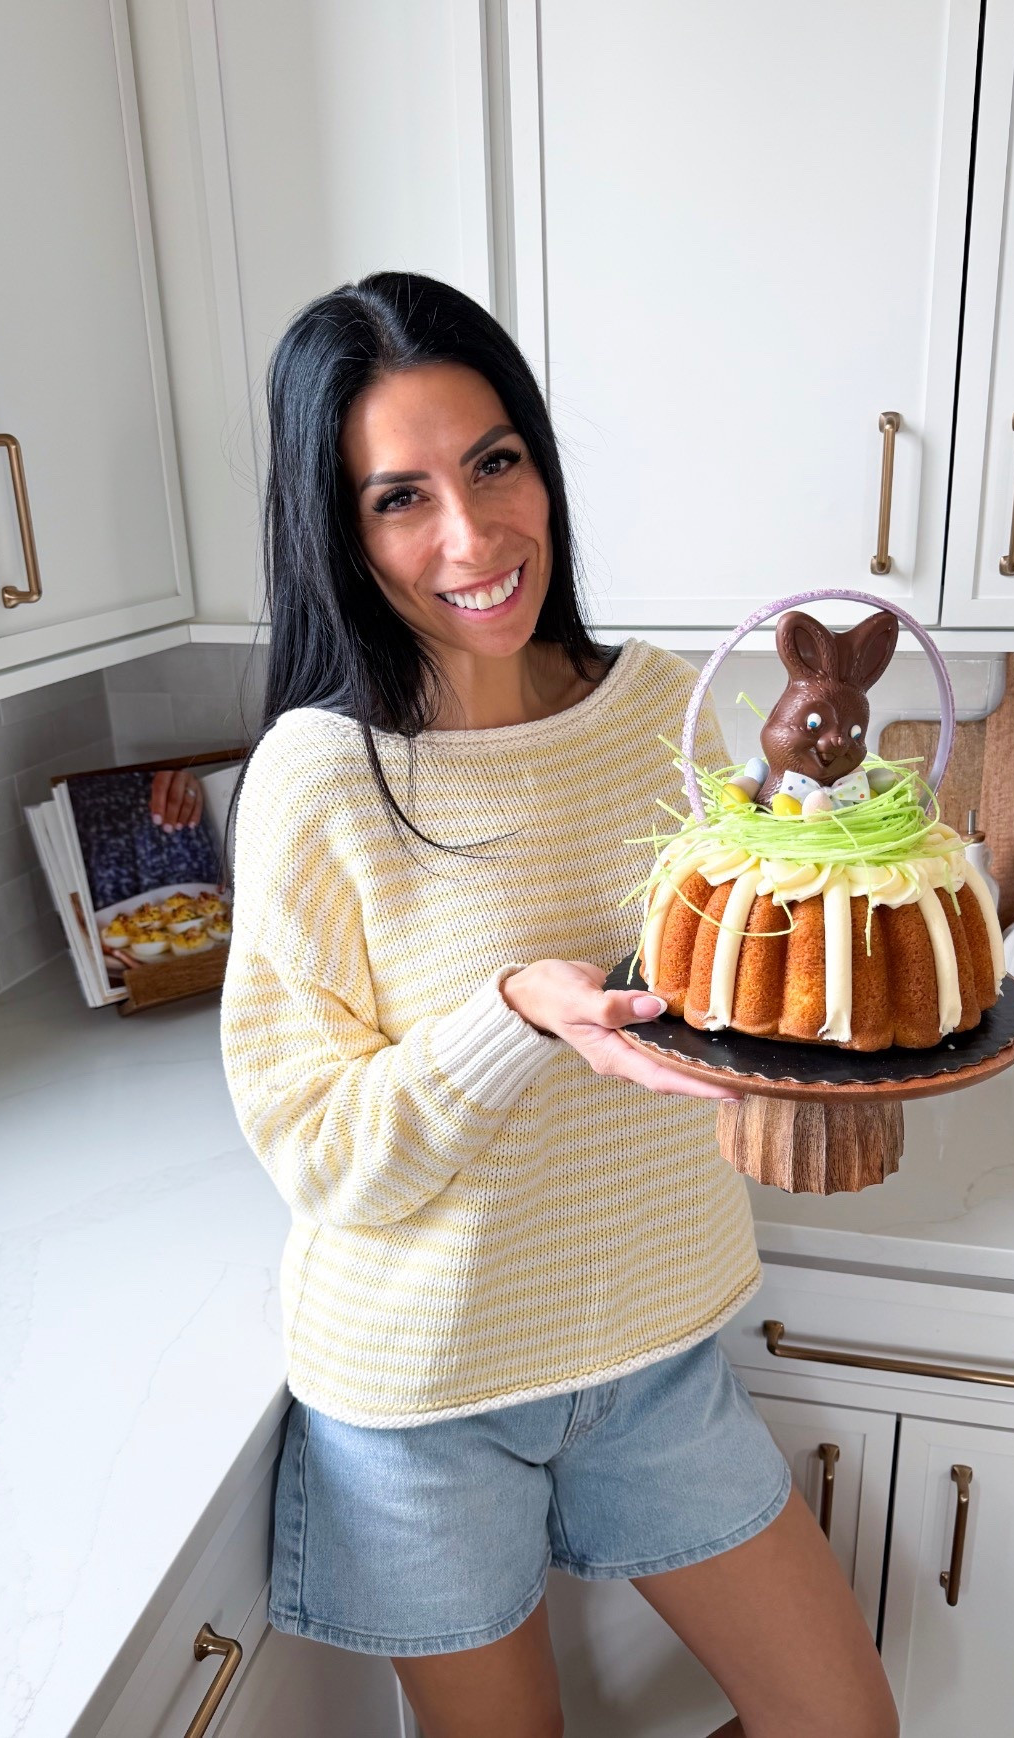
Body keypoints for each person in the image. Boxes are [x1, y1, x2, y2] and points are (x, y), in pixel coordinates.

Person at [219, 271, 897, 1738]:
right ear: (336, 527)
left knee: (846, 1719)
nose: (470, 536)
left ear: (540, 460)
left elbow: (718, 980)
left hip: (655, 1353)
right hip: (424, 1401)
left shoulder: (656, 703)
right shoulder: (317, 776)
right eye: (398, 497)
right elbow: (322, 1154)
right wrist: (514, 1012)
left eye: (494, 463)